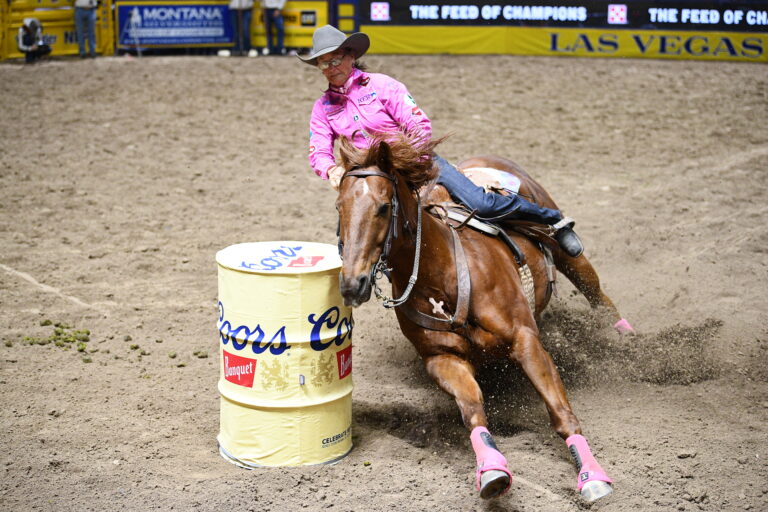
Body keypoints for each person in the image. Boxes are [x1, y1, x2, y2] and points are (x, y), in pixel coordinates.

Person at [300, 25, 584, 257]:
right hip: (371, 180)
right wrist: (331, 170)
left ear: (350, 56)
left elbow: (418, 125)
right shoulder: (322, 108)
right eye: (323, 62)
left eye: (335, 58)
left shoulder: (383, 86)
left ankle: (552, 219)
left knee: (481, 203)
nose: (330, 66)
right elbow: (319, 151)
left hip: (416, 165)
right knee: (350, 236)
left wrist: (404, 158)